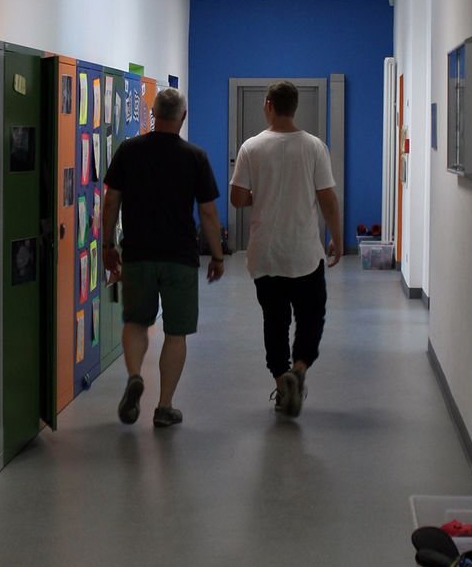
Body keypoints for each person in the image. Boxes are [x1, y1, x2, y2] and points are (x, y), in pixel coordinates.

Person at [102, 86, 225, 429]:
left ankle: (134, 376)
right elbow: (208, 212)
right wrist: (217, 256)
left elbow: (111, 201)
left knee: (136, 322)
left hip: (138, 254)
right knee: (175, 332)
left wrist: (108, 246)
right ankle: (164, 406)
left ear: (153, 113)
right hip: (179, 257)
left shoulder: (129, 150)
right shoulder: (195, 156)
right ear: (183, 116)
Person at [229, 81, 342, 418]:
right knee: (311, 316)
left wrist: (260, 195)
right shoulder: (314, 147)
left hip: (265, 254)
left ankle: (282, 385)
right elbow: (328, 199)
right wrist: (336, 238)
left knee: (274, 321)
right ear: (295, 107)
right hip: (305, 253)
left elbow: (237, 198)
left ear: (268, 105)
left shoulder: (251, 147)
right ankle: (300, 368)